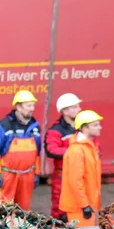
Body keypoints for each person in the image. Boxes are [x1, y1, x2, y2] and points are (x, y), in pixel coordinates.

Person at [0, 90, 41, 210]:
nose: (32, 108)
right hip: (7, 175)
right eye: (29, 105)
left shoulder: (35, 127)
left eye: (33, 105)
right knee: (1, 209)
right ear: (18, 106)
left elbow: (37, 153)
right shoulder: (3, 126)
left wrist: (36, 173)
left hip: (27, 176)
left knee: (23, 211)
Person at [60, 110, 103, 227]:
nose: (100, 127)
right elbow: (75, 181)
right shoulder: (77, 151)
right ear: (84, 128)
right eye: (95, 125)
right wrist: (84, 205)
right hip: (80, 207)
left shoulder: (88, 147)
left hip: (86, 204)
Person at [45, 93, 83, 221]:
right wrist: (75, 152)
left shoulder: (82, 127)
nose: (79, 109)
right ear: (65, 111)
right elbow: (51, 150)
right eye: (75, 107)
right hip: (63, 177)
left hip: (81, 176)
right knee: (60, 210)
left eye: (78, 106)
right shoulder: (56, 130)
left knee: (80, 206)